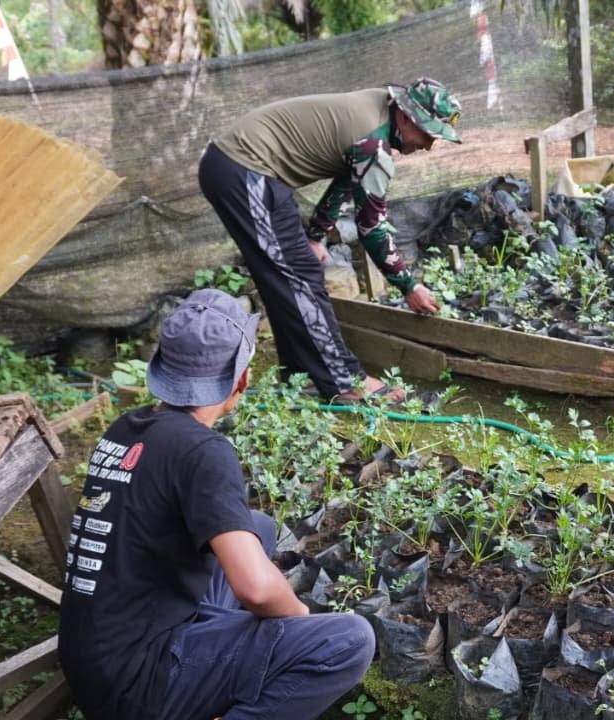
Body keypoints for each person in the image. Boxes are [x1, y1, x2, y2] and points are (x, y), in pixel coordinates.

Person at [58, 288, 375, 720]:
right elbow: (256, 589)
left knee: (257, 527)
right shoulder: (203, 451)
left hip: (90, 658)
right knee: (349, 641)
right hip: (140, 686)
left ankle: (213, 657)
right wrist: (298, 618)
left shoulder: (126, 429)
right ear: (240, 380)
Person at [199, 77, 461, 403]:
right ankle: (345, 381)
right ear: (407, 117)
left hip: (240, 168)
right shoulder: (373, 145)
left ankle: (303, 375)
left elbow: (346, 175)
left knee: (284, 278)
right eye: (427, 134)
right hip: (244, 169)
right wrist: (408, 285)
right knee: (299, 277)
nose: (428, 145)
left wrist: (316, 235)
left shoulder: (381, 109)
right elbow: (372, 228)